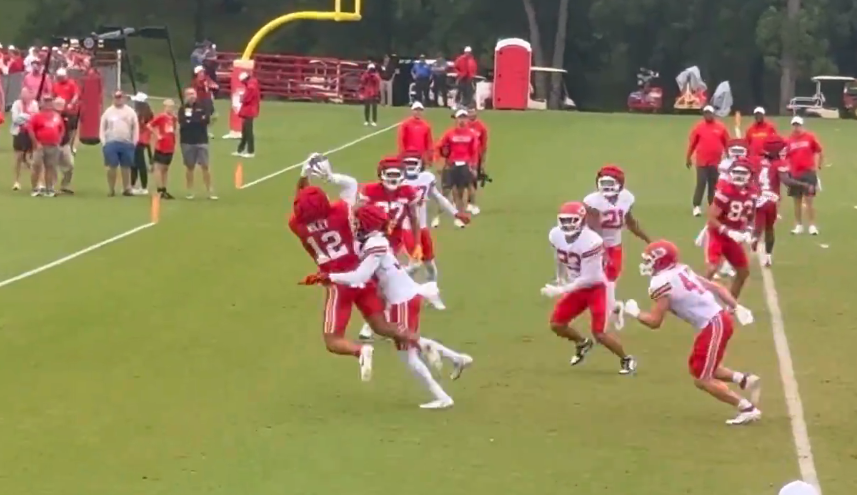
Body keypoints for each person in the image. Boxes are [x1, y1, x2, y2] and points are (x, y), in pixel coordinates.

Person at [311, 203, 473, 409]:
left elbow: (361, 275)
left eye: (357, 220)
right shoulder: (373, 240)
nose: (353, 222)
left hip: (402, 300)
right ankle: (456, 358)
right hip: (406, 296)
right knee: (409, 342)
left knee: (408, 357)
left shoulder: (374, 244)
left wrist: (330, 276)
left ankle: (442, 396)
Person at [290, 153, 421, 382]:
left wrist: (303, 176)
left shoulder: (298, 226)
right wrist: (327, 176)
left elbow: (299, 201)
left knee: (333, 340)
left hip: (338, 283)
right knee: (381, 326)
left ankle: (360, 351)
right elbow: (348, 189)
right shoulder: (340, 212)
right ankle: (420, 341)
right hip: (363, 277)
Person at [623, 240, 761, 426]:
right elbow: (718, 287)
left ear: (661, 261)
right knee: (700, 367)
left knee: (702, 379)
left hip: (713, 324)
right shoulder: (681, 270)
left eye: (650, 260)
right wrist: (736, 307)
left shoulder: (660, 283)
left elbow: (655, 322)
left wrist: (636, 312)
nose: (647, 264)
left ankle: (747, 408)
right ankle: (745, 379)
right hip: (717, 321)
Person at [540, 201, 638, 374]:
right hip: (576, 287)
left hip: (595, 288)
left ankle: (626, 359)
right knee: (556, 324)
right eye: (564, 220)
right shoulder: (555, 235)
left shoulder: (592, 241)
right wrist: (560, 278)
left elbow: (590, 277)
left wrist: (563, 289)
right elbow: (560, 256)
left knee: (599, 334)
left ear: (582, 220)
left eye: (572, 220)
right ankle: (582, 343)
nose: (567, 225)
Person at [400, 154, 471, 310]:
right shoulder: (397, 181)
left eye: (413, 163)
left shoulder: (426, 178)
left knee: (430, 266)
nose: (410, 167)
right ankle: (394, 287)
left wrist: (455, 213)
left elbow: (438, 197)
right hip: (406, 228)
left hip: (423, 227)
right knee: (415, 265)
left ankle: (432, 295)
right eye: (407, 163)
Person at [583, 165, 650, 330]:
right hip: (593, 245)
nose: (606, 188)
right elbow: (591, 229)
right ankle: (611, 310)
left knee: (609, 281)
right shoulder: (592, 202)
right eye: (603, 183)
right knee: (596, 282)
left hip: (615, 244)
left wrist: (648, 240)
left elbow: (630, 222)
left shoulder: (626, 198)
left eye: (610, 183)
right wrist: (601, 250)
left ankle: (609, 313)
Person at [753, 135, 811, 267]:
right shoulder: (779, 163)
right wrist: (804, 185)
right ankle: (768, 256)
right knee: (769, 228)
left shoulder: (757, 161)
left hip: (756, 198)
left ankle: (754, 237)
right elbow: (787, 181)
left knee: (753, 226)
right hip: (771, 199)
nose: (784, 150)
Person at [704, 158, 756, 298]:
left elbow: (751, 215)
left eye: (743, 172)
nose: (739, 176)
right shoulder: (726, 191)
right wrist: (728, 231)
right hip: (719, 234)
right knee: (713, 268)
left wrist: (749, 231)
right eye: (736, 172)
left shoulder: (752, 192)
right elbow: (711, 218)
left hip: (733, 236)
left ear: (750, 175)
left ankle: (731, 305)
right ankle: (696, 296)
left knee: (743, 272)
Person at [359, 157, 422, 257]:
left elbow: (414, 219)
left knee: (388, 261)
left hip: (394, 236)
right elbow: (359, 216)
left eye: (396, 174)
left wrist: (418, 244)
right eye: (390, 174)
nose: (393, 178)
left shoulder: (408, 192)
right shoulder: (370, 190)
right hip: (371, 234)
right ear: (381, 174)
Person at [436, 109, 479, 220]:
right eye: (460, 118)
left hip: (465, 164)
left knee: (463, 189)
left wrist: (473, 166)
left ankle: (463, 209)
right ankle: (448, 209)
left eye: (464, 118)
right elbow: (440, 147)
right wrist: (440, 162)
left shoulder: (471, 134)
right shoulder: (449, 133)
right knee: (450, 188)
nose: (462, 120)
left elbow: (474, 151)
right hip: (452, 164)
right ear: (456, 119)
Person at [686, 105, 729, 216]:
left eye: (709, 113)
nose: (707, 115)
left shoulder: (720, 127)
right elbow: (692, 144)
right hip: (702, 161)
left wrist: (730, 158)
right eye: (705, 113)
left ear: (713, 114)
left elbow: (727, 143)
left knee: (714, 185)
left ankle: (712, 206)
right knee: (701, 183)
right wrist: (688, 157)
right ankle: (696, 206)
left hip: (715, 162)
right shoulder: (699, 127)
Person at [785, 116, 822, 235]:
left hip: (808, 173)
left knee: (809, 199)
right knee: (797, 200)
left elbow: (818, 150)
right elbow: (785, 156)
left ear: (802, 125)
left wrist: (817, 167)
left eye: (798, 125)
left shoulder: (809, 137)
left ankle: (812, 225)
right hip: (794, 173)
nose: (796, 127)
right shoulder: (789, 140)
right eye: (794, 125)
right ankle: (798, 225)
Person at [179, 87, 216, 200]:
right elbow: (183, 122)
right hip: (187, 141)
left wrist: (194, 120)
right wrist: (197, 120)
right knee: (190, 167)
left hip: (201, 140)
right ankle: (190, 190)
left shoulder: (202, 106)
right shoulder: (182, 109)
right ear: (185, 96)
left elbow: (206, 120)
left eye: (193, 93)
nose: (191, 96)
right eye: (189, 94)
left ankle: (210, 190)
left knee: (205, 166)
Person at [99, 90, 139, 196]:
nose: (118, 99)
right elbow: (102, 127)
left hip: (126, 143)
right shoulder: (108, 112)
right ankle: (111, 189)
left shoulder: (130, 112)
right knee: (112, 166)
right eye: (116, 97)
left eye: (120, 97)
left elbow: (135, 128)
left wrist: (134, 142)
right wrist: (104, 142)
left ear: (124, 98)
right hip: (111, 142)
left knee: (126, 167)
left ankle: (127, 188)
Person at [28, 96, 65, 197]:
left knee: (50, 167)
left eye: (50, 101)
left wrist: (59, 139)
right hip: (40, 145)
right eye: (46, 102)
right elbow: (30, 130)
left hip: (53, 145)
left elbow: (61, 129)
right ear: (42, 103)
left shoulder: (57, 116)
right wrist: (36, 143)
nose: (48, 104)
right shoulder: (37, 116)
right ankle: (35, 188)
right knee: (36, 166)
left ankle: (49, 188)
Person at [148, 99, 178, 199]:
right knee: (158, 168)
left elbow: (174, 130)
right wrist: (157, 135)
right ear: (165, 106)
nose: (170, 108)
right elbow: (149, 125)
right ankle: (159, 188)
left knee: (165, 168)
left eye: (172, 106)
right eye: (168, 106)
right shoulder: (161, 116)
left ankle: (164, 189)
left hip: (170, 146)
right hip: (161, 145)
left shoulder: (173, 118)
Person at [10, 87, 38, 191]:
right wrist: (28, 116)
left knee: (31, 157)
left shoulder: (34, 104)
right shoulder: (16, 104)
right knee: (18, 157)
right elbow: (15, 119)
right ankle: (16, 181)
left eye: (26, 95)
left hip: (30, 133)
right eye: (23, 95)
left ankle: (35, 181)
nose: (24, 97)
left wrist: (23, 116)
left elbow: (36, 118)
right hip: (19, 133)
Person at [465, 107, 488, 215]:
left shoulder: (481, 127)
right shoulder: (463, 125)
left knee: (473, 180)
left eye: (473, 111)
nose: (471, 113)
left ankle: (470, 203)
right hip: (462, 156)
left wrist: (483, 161)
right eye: (469, 111)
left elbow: (484, 145)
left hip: (475, 157)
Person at [51, 67, 80, 153]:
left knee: (72, 129)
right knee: (60, 127)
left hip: (71, 110)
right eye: (59, 77)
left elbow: (76, 94)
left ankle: (71, 145)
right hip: (60, 111)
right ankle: (61, 144)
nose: (60, 79)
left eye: (61, 77)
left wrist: (72, 103)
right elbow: (53, 96)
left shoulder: (71, 83)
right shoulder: (56, 85)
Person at [131, 92, 154, 195]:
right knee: (136, 163)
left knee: (139, 163)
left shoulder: (141, 114)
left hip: (139, 140)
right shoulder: (147, 112)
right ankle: (133, 185)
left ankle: (143, 187)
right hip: (142, 140)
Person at [234, 72, 260, 158]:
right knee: (245, 131)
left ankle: (250, 151)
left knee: (248, 131)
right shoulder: (253, 83)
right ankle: (240, 150)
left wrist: (242, 98)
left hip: (249, 110)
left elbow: (247, 98)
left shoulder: (250, 86)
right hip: (250, 110)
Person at [54, 97, 75, 194]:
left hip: (65, 144)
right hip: (53, 144)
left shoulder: (68, 116)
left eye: (61, 104)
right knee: (52, 166)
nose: (59, 106)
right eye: (57, 104)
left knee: (70, 165)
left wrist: (71, 144)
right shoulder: (51, 115)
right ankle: (52, 187)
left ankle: (65, 185)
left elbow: (71, 131)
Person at [192, 65, 219, 135]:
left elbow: (213, 84)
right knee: (203, 116)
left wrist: (214, 86)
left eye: (203, 72)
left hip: (208, 100)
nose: (202, 73)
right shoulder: (196, 81)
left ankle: (207, 129)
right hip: (201, 100)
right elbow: (196, 90)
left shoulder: (207, 78)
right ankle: (203, 130)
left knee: (215, 116)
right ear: (197, 73)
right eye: (201, 72)